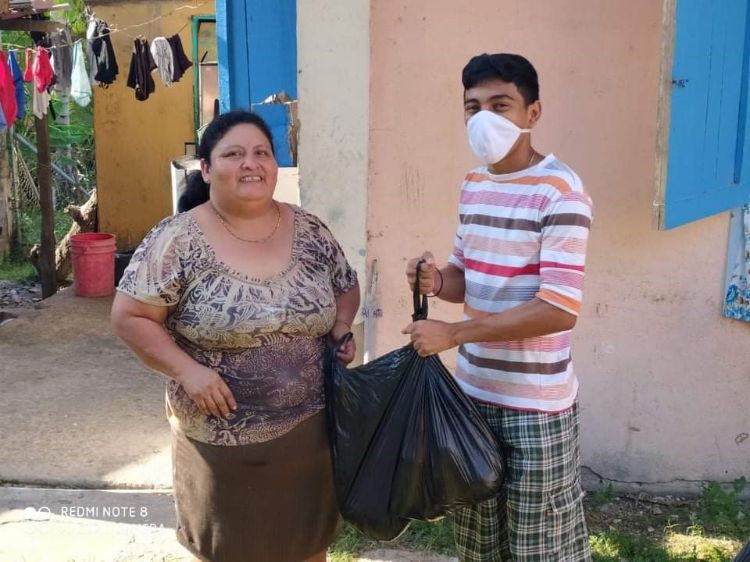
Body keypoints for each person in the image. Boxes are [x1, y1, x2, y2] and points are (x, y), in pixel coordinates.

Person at [111, 110, 360, 562]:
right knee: (231, 550)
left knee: (307, 548)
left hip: (309, 434)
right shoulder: (177, 240)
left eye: (261, 153)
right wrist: (190, 373)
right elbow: (130, 316)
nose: (251, 163)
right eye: (234, 154)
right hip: (221, 443)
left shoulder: (309, 230)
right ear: (206, 169)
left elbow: (346, 285)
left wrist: (340, 326)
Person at [403, 53, 592, 561]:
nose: (483, 118)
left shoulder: (561, 191)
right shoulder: (475, 184)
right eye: (473, 106)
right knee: (478, 545)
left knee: (540, 549)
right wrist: (435, 279)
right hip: (473, 399)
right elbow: (465, 278)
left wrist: (455, 335)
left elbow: (558, 308)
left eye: (500, 105)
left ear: (533, 113)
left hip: (536, 406)